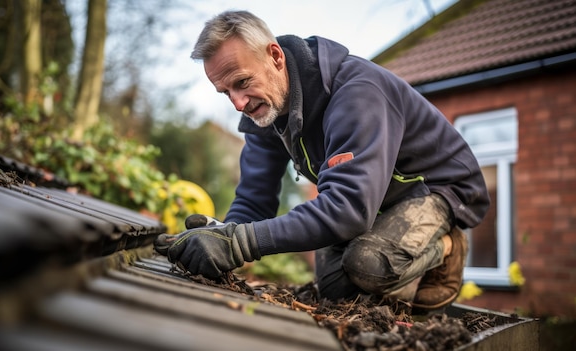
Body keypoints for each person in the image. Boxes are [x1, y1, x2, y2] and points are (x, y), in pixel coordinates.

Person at [154, 10, 490, 312]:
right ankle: (398, 253)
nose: (238, 103)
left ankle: (447, 247)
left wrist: (239, 243)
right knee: (334, 290)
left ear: (275, 56)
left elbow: (347, 209)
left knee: (368, 264)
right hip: (376, 196)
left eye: (242, 83)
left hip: (438, 189)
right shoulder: (264, 112)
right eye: (225, 92)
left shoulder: (356, 94)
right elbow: (254, 201)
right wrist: (221, 236)